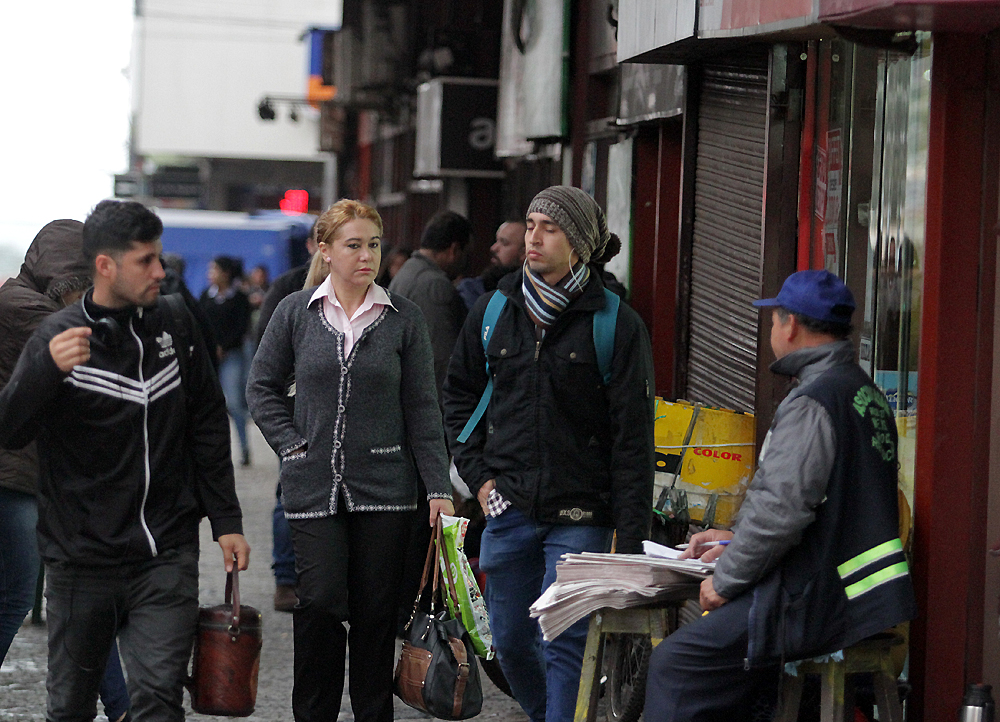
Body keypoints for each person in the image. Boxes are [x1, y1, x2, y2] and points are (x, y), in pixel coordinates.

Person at [0, 199, 249, 722]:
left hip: (165, 550)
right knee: (69, 705)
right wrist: (43, 371)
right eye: (146, 261)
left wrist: (225, 520)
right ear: (105, 265)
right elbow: (10, 428)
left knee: (157, 698)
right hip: (81, 557)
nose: (161, 271)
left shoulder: (177, 322)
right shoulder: (55, 335)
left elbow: (206, 419)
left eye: (160, 257)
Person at [643, 270, 918, 722]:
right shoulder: (863, 391)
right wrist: (732, 539)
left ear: (789, 326)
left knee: (677, 664)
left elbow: (780, 511)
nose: (772, 330)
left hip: (818, 602)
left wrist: (725, 579)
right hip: (860, 598)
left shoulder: (814, 401)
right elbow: (824, 504)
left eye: (773, 320)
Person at [442, 185, 656, 722]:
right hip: (507, 507)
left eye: (549, 228)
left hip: (582, 515)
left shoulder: (616, 324)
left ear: (579, 246)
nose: (533, 238)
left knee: (565, 644)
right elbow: (459, 398)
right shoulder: (495, 309)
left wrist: (628, 541)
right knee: (509, 642)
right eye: (532, 224)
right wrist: (479, 476)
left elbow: (633, 440)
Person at [246, 199, 454, 722]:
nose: (367, 256)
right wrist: (292, 446)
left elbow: (423, 409)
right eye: (354, 245)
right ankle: (312, 713)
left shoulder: (403, 319)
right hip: (314, 487)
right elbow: (261, 387)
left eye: (375, 245)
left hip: (387, 489)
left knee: (375, 613)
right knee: (316, 602)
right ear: (326, 250)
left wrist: (438, 487)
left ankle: (371, 714)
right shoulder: (296, 311)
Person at [0, 220, 132, 722]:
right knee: (19, 597)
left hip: (38, 477)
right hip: (16, 478)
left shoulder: (22, 302)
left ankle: (122, 708)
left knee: (79, 600)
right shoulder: (26, 312)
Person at [389, 210, 471, 396]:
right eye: (466, 254)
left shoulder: (406, 272)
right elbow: (440, 358)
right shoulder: (435, 285)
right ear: (454, 250)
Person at [199, 255, 253, 466]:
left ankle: (244, 447)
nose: (209, 274)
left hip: (232, 356)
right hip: (210, 357)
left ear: (225, 273)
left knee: (234, 402)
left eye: (214, 269)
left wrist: (225, 346)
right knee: (210, 404)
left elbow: (241, 328)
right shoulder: (205, 296)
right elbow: (201, 323)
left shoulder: (239, 298)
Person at [457, 219, 527, 311]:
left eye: (504, 243)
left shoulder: (534, 297)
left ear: (524, 253)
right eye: (496, 241)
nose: (493, 248)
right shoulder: (470, 290)